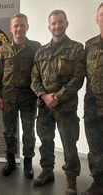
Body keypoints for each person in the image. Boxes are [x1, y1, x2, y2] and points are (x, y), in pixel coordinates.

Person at [31, 10, 85, 195]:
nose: (57, 26)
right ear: (49, 27)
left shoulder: (77, 49)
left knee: (69, 144)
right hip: (45, 107)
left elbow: (78, 79)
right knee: (45, 142)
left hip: (66, 108)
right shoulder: (40, 52)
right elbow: (34, 79)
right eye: (53, 23)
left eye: (60, 22)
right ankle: (47, 172)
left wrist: (58, 97)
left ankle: (71, 180)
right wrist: (45, 96)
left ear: (66, 24)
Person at [0, 13, 41, 178]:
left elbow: (40, 74)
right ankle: (10, 160)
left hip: (29, 98)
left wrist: (41, 96)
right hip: (8, 97)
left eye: (22, 25)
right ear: (11, 29)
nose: (19, 28)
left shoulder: (36, 47)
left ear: (27, 27)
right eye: (16, 26)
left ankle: (28, 163)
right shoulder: (3, 50)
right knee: (9, 131)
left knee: (28, 131)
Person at [81, 3, 103, 195]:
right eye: (102, 15)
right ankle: (99, 183)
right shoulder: (89, 45)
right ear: (97, 19)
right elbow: (81, 75)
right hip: (93, 109)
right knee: (95, 148)